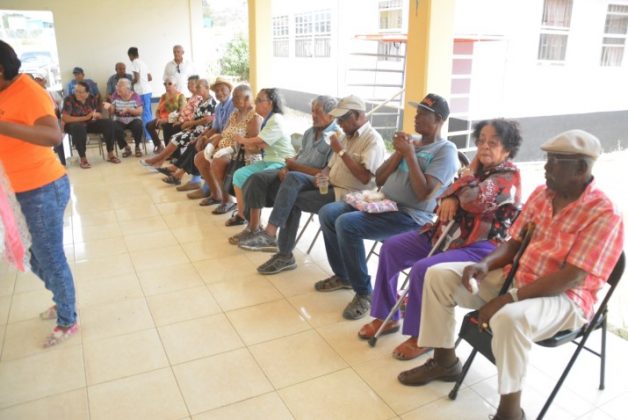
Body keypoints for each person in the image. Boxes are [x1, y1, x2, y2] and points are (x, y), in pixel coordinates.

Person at [398, 130, 624, 420]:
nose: (546, 166)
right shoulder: (542, 195)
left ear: (581, 168)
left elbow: (573, 277)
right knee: (438, 275)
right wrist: (485, 265)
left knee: (508, 318)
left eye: (555, 161)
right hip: (518, 277)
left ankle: (509, 412)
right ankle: (445, 362)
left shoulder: (604, 213)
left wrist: (508, 299)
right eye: (547, 159)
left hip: (566, 297)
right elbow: (514, 242)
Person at [359, 119, 523, 361]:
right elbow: (441, 196)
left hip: (479, 246)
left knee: (423, 269)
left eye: (493, 143)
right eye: (481, 142)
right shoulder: (478, 171)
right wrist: (452, 194)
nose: (484, 147)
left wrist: (459, 187)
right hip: (445, 234)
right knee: (392, 248)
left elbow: (473, 200)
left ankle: (422, 336)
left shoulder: (507, 177)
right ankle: (387, 315)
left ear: (507, 149)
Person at [317, 93, 459, 320]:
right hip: (382, 204)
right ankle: (344, 276)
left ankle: (364, 293)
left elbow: (424, 193)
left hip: (410, 216)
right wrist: (399, 153)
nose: (416, 117)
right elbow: (380, 178)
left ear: (439, 119)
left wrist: (409, 155)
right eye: (417, 112)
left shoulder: (445, 150)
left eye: (423, 114)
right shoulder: (411, 141)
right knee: (328, 213)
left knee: (346, 224)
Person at [0, 40, 79, 347]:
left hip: (41, 188)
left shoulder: (28, 91)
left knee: (49, 256)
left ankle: (68, 318)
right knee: (31, 255)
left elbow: (52, 135)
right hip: (14, 189)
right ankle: (62, 297)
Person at [253, 94, 386, 276]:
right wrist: (322, 176)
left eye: (342, 119)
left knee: (292, 200)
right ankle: (271, 233)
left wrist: (341, 151)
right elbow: (329, 167)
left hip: (348, 194)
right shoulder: (345, 137)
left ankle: (283, 253)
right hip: (329, 183)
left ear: (356, 115)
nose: (339, 123)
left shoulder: (372, 140)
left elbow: (364, 178)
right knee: (292, 179)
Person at [236, 95, 338, 249]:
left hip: (312, 180)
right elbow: (298, 156)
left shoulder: (336, 137)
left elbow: (324, 175)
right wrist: (286, 167)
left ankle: (271, 236)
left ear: (331, 115)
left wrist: (292, 166)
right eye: (312, 111)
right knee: (256, 179)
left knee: (289, 182)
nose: (313, 115)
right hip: (292, 171)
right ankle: (253, 228)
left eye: (318, 112)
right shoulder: (310, 132)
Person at [225, 88, 296, 227]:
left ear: (270, 103)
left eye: (259, 100)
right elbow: (262, 144)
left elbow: (259, 140)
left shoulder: (276, 119)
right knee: (239, 174)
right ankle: (241, 215)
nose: (255, 103)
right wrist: (248, 145)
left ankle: (255, 225)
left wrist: (242, 140)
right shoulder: (267, 120)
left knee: (256, 179)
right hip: (268, 160)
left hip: (281, 162)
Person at [193, 84, 261, 211]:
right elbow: (223, 133)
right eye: (233, 96)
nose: (233, 100)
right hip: (223, 147)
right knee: (199, 158)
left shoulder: (254, 117)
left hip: (239, 153)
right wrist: (211, 145)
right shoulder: (235, 114)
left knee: (217, 162)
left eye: (237, 97)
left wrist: (228, 149)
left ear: (247, 98)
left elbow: (251, 144)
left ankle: (227, 200)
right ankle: (216, 194)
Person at [166, 76, 234, 192]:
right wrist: (203, 137)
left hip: (227, 139)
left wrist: (207, 138)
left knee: (199, 146)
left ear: (229, 90)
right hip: (213, 134)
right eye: (217, 91)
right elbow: (215, 127)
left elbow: (225, 130)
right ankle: (193, 179)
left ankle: (194, 180)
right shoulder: (219, 107)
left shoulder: (233, 105)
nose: (219, 93)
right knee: (196, 142)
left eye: (222, 89)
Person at [140, 78, 215, 170]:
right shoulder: (202, 101)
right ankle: (159, 161)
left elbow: (207, 120)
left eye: (198, 87)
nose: (196, 88)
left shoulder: (211, 102)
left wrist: (189, 123)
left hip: (201, 131)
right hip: (193, 127)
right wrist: (190, 124)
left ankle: (155, 160)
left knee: (175, 136)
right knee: (173, 137)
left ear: (207, 88)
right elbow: (196, 116)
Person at [61, 81, 118, 168]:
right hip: (73, 125)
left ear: (87, 93)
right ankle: (83, 158)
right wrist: (85, 117)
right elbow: (65, 118)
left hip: (89, 123)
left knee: (109, 123)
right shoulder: (69, 99)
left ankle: (110, 154)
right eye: (76, 91)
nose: (77, 94)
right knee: (79, 128)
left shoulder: (91, 98)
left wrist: (98, 115)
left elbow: (99, 111)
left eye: (80, 92)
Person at [145, 75, 186, 153]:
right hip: (162, 119)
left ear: (175, 85)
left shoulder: (180, 96)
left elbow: (181, 112)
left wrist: (166, 120)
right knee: (148, 125)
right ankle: (159, 145)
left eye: (169, 84)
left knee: (166, 125)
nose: (167, 86)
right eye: (165, 84)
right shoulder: (163, 96)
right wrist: (158, 119)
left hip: (174, 120)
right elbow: (157, 110)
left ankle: (168, 151)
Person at [110, 78, 145, 158]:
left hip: (133, 119)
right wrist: (109, 107)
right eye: (117, 86)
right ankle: (126, 147)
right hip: (119, 119)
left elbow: (140, 111)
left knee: (138, 125)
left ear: (128, 88)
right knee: (113, 126)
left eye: (120, 86)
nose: (117, 88)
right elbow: (112, 111)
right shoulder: (115, 95)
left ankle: (137, 147)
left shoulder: (135, 96)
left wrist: (129, 110)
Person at [127, 47, 153, 141]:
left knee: (144, 114)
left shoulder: (134, 63)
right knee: (148, 113)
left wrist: (129, 83)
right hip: (148, 91)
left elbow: (136, 78)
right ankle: (150, 135)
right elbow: (150, 78)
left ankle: (148, 137)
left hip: (141, 92)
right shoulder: (143, 63)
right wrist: (143, 80)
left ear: (130, 55)